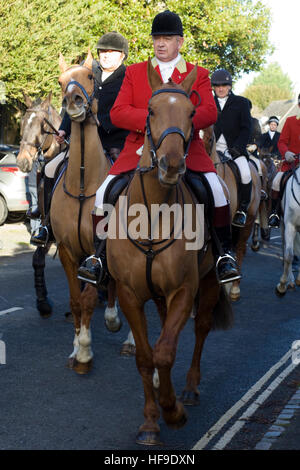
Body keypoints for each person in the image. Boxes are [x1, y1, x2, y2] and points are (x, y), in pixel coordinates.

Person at [77, 10, 240, 287]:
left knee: (217, 192)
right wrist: (154, 122)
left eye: (168, 38)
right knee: (103, 193)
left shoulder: (197, 73)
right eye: (157, 38)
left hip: (188, 150)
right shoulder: (135, 72)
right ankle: (99, 257)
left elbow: (209, 111)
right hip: (138, 150)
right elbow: (118, 112)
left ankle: (224, 254)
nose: (161, 43)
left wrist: (176, 125)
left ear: (181, 42)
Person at [30, 31, 129, 246]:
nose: (106, 55)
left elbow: (129, 110)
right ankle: (47, 223)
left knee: (131, 179)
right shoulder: (88, 73)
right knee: (49, 168)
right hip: (82, 145)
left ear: (122, 56)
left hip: (115, 143)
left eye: (111, 52)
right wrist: (64, 129)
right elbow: (72, 104)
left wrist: (105, 123)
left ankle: (128, 227)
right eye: (103, 51)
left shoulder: (128, 78)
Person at [211, 69, 253, 228]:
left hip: (234, 150)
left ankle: (242, 210)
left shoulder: (241, 103)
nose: (220, 88)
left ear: (229, 86)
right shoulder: (208, 102)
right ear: (213, 87)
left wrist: (237, 148)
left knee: (245, 173)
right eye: (217, 86)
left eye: (224, 85)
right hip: (211, 150)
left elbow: (246, 129)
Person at [268, 95, 300, 228]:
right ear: (299, 104)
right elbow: (282, 142)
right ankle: (274, 214)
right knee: (276, 182)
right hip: (291, 164)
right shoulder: (290, 121)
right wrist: (286, 153)